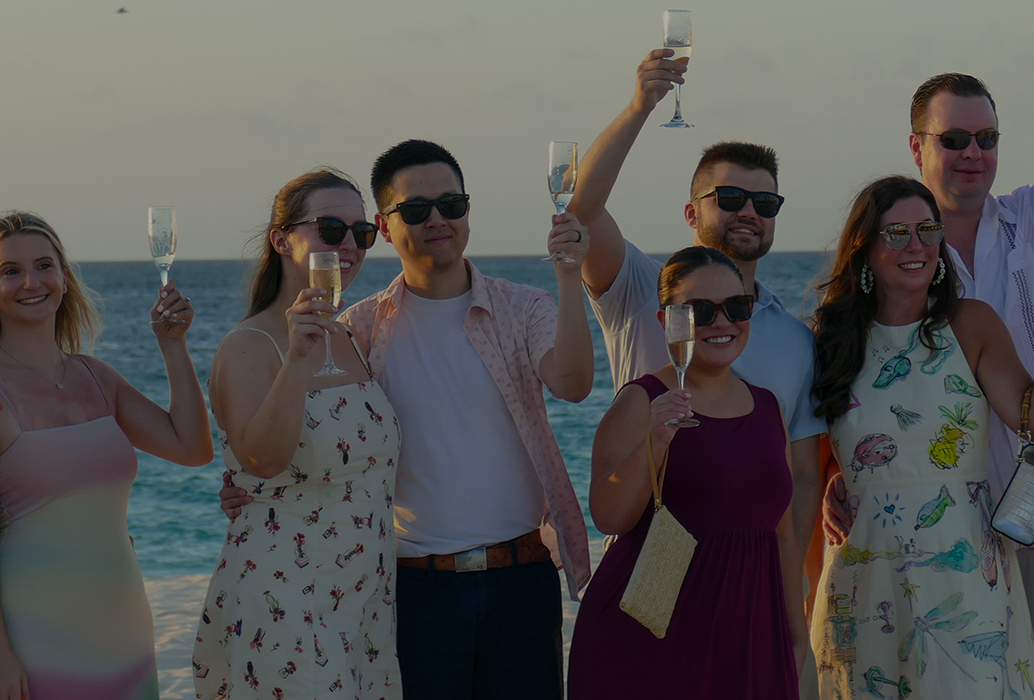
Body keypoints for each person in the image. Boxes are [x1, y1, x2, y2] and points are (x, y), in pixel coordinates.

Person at [809, 176, 1034, 700]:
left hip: (962, 563)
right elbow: (814, 450)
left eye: (927, 229)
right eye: (896, 233)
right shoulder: (829, 338)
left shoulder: (971, 323)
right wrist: (831, 477)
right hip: (864, 566)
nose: (915, 245)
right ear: (866, 247)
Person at [335, 139, 594, 697]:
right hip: (415, 592)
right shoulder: (360, 330)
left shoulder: (524, 308)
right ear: (384, 226)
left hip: (522, 581)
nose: (438, 219)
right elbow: (326, 448)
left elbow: (574, 385)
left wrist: (570, 276)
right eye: (416, 209)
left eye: (452, 205)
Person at [571, 51, 828, 576]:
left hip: (747, 573)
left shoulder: (795, 340)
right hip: (649, 565)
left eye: (765, 202)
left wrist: (788, 590)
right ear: (691, 212)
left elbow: (801, 477)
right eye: (730, 197)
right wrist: (640, 107)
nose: (749, 211)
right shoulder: (640, 289)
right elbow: (582, 212)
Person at [0, 211, 213, 698]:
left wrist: (173, 347)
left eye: (44, 265)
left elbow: (192, 448)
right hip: (35, 632)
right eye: (11, 271)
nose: (31, 282)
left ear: (64, 277)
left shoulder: (97, 377)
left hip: (122, 623)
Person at [191, 169, 400, 698]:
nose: (348, 245)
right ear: (282, 239)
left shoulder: (351, 334)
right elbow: (261, 460)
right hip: (286, 601)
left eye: (361, 232)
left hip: (364, 602)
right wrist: (297, 360)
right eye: (330, 229)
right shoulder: (250, 346)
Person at [571, 246, 806, 698]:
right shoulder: (641, 401)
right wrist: (655, 441)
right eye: (700, 310)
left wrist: (795, 638)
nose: (722, 323)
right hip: (652, 641)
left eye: (736, 307)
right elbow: (608, 517)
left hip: (750, 640)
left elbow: (783, 536)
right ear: (667, 321)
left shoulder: (768, 407)